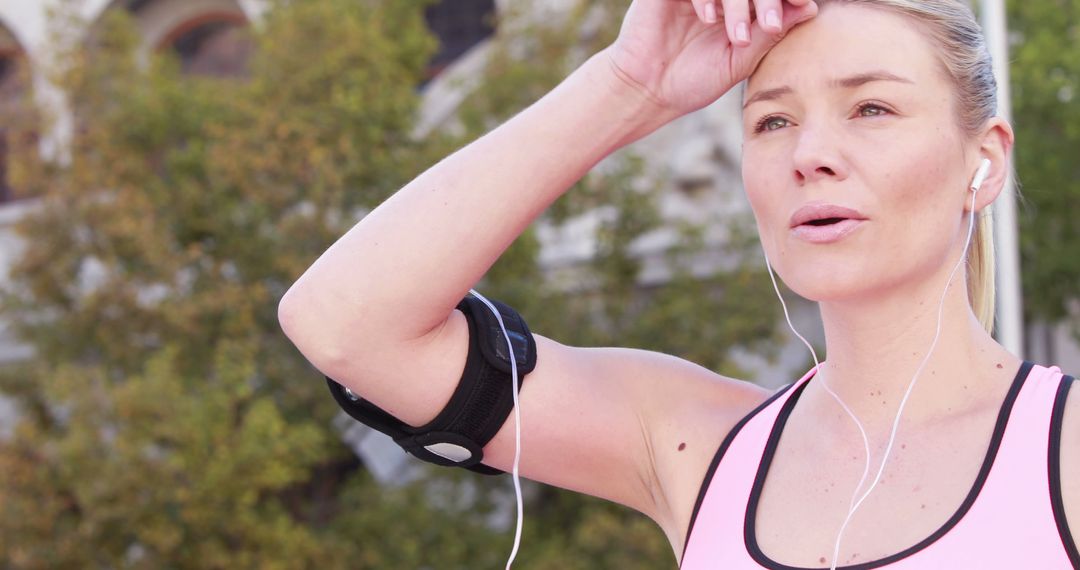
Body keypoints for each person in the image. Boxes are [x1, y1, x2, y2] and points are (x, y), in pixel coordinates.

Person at [278, 0, 1079, 567]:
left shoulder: (1065, 451)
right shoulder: (702, 448)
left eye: (871, 108)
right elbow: (346, 323)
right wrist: (634, 83)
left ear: (985, 159)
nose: (811, 153)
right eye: (772, 120)